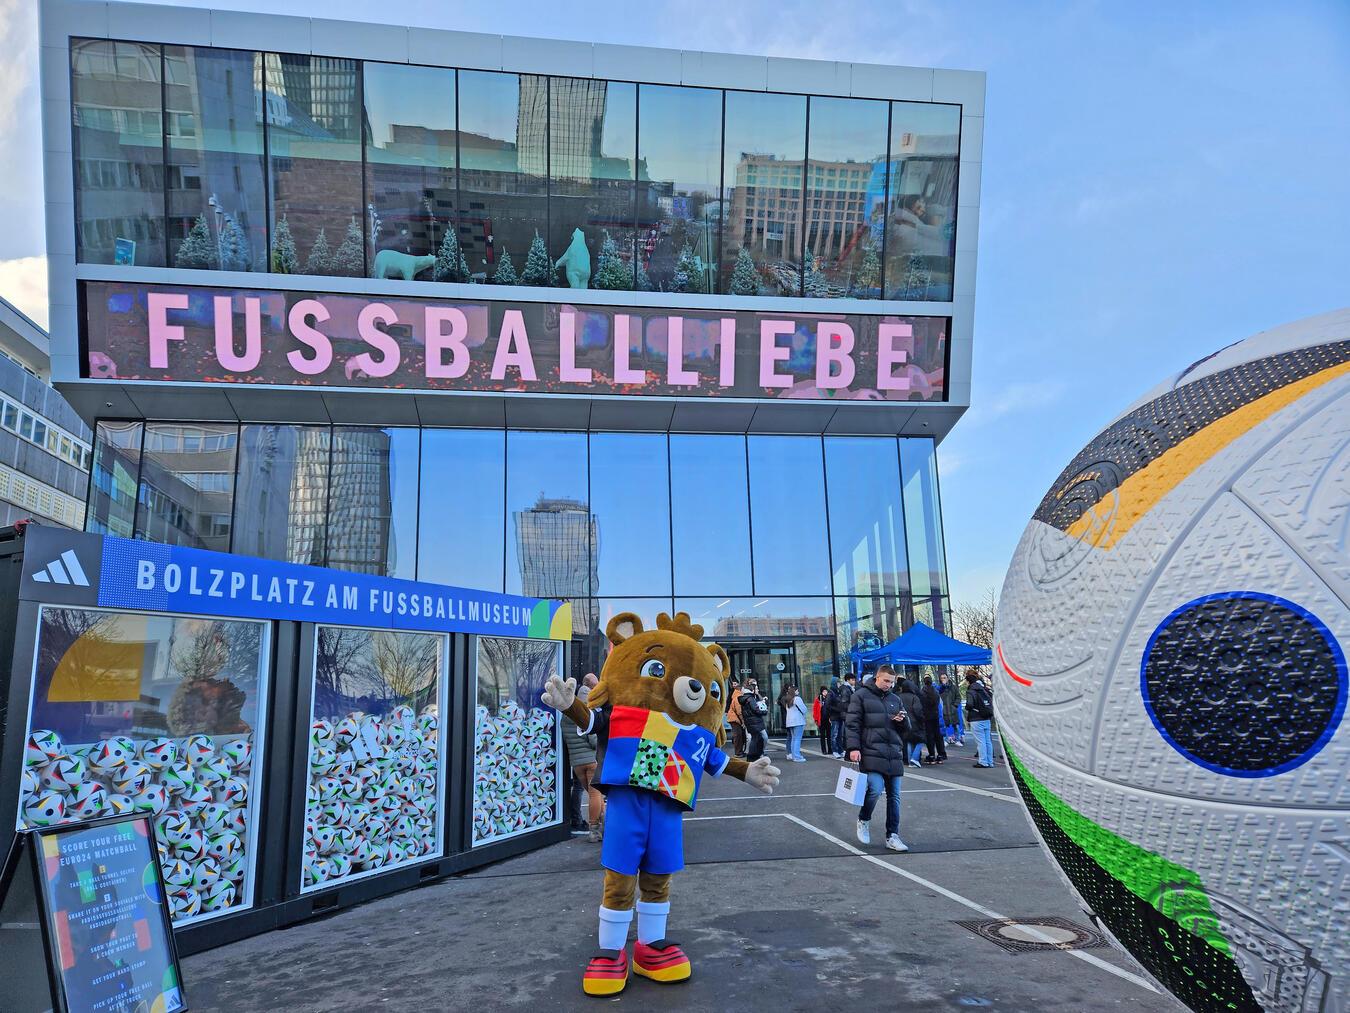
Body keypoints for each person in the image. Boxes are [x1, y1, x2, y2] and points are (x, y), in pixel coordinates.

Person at [844, 664, 909, 852]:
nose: (889, 684)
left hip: (893, 752)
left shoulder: (895, 699)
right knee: (875, 789)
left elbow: (907, 729)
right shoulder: (860, 696)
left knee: (894, 796)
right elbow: (852, 724)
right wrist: (853, 748)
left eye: (892, 682)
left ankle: (892, 836)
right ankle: (864, 819)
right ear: (877, 678)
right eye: (886, 681)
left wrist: (903, 721)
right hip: (871, 751)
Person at [563, 674, 603, 837]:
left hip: (576, 763)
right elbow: (593, 740)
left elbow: (566, 738)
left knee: (593, 794)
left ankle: (605, 826)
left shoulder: (565, 716)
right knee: (595, 794)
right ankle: (594, 830)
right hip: (591, 760)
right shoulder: (587, 714)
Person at [966, 670, 995, 768]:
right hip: (986, 717)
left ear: (968, 681)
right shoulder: (983, 689)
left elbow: (969, 704)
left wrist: (968, 708)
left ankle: (983, 761)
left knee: (980, 741)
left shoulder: (971, 691)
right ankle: (990, 761)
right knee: (988, 741)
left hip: (976, 718)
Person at [896, 676, 926, 768]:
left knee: (908, 741)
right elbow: (918, 710)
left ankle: (910, 760)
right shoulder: (914, 697)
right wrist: (922, 719)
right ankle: (914, 758)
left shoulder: (898, 697)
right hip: (915, 722)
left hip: (904, 721)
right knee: (920, 740)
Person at [919, 675, 947, 765]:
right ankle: (940, 755)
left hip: (927, 717)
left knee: (929, 737)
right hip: (936, 716)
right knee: (938, 736)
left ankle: (931, 755)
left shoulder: (922, 692)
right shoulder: (936, 692)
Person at [740, 679, 769, 762]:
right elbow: (756, 709)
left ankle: (755, 754)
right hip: (754, 721)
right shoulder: (750, 698)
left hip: (751, 721)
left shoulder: (747, 697)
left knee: (756, 738)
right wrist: (764, 712)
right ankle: (754, 755)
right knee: (758, 738)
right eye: (756, 687)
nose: (757, 689)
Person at [830, 672, 857, 758]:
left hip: (841, 714)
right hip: (840, 715)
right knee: (836, 734)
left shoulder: (845, 689)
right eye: (852, 679)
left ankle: (840, 750)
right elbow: (843, 703)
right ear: (848, 680)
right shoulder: (844, 689)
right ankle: (836, 750)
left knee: (839, 734)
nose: (854, 681)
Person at [783, 685, 808, 762]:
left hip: (790, 722)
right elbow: (804, 709)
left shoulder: (788, 700)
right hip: (798, 721)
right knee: (797, 739)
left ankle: (794, 755)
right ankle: (797, 756)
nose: (798, 692)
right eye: (797, 690)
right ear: (795, 691)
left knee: (793, 739)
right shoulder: (797, 699)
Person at [727, 678, 746, 758]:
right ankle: (738, 752)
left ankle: (739, 752)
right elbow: (739, 710)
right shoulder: (738, 696)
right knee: (738, 735)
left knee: (738, 735)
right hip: (735, 718)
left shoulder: (735, 694)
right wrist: (743, 721)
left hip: (733, 717)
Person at [813, 686, 831, 754]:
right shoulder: (818, 699)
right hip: (821, 720)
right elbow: (815, 710)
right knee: (822, 736)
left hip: (828, 720)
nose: (825, 693)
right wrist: (816, 719)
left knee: (829, 735)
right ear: (821, 692)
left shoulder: (829, 698)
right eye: (824, 691)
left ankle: (830, 749)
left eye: (826, 691)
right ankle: (824, 750)